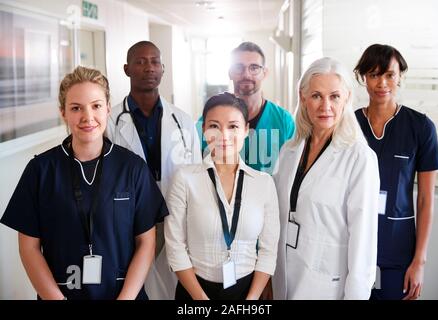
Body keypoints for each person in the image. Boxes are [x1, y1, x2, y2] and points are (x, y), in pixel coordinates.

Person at [0, 66, 167, 299]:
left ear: (108, 108)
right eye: (76, 108)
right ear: (63, 113)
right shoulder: (40, 171)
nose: (87, 117)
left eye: (96, 106)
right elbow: (29, 248)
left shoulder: (132, 168)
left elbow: (146, 243)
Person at [272, 57, 380, 300]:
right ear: (303, 98)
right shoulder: (291, 149)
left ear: (346, 99)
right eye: (316, 96)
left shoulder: (359, 158)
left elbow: (363, 243)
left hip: (326, 284)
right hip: (285, 276)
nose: (325, 106)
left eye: (334, 96)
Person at [106, 41, 201, 300]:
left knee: (173, 284)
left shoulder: (182, 121)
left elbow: (196, 175)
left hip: (175, 215)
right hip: (129, 219)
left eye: (155, 61)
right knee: (136, 284)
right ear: (126, 69)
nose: (149, 67)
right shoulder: (110, 122)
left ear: (163, 69)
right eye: (140, 61)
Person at [165, 92, 280, 300]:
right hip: (195, 291)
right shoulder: (185, 179)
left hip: (247, 290)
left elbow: (268, 250)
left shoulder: (263, 183)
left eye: (233, 126)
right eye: (214, 126)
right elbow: (175, 247)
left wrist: (251, 299)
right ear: (203, 130)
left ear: (246, 130)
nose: (223, 136)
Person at [353, 44, 438, 300]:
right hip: (354, 246)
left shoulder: (421, 127)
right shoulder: (349, 126)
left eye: (389, 75)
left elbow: (425, 200)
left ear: (400, 76)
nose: (382, 83)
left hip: (398, 249)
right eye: (373, 74)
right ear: (363, 78)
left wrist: (419, 262)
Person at [196, 42, 295, 174]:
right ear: (230, 73)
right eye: (239, 67)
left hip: (269, 194)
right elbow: (197, 169)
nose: (246, 75)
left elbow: (292, 172)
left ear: (264, 73)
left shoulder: (283, 121)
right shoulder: (208, 121)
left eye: (254, 68)